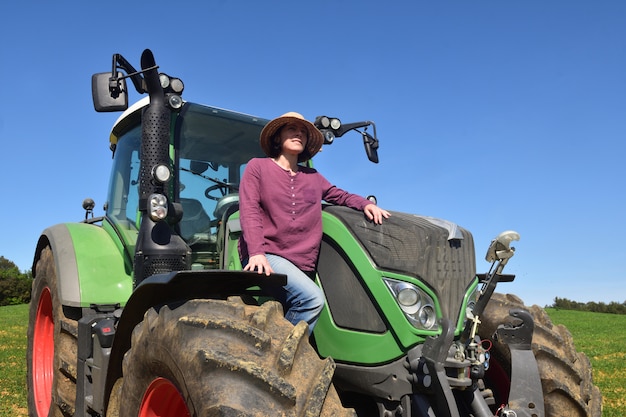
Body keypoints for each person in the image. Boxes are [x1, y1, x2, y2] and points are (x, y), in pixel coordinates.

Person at [238, 112, 390, 334]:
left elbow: (339, 195)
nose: (298, 134)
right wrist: (257, 253)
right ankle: (281, 359)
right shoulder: (258, 167)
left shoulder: (313, 177)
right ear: (278, 138)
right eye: (291, 129)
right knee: (312, 299)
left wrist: (365, 204)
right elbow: (249, 209)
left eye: (303, 132)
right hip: (267, 254)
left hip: (302, 261)